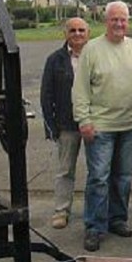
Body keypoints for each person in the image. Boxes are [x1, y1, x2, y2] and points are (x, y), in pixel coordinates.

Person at [72, 1, 132, 252]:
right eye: (114, 19)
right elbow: (80, 89)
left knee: (124, 177)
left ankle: (118, 219)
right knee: (99, 178)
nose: (119, 24)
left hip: (129, 125)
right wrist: (84, 120)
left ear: (128, 22)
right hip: (100, 126)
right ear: (106, 21)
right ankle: (94, 227)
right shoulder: (91, 49)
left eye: (123, 20)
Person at [40, 17, 89, 229]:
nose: (77, 34)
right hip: (66, 125)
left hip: (93, 124)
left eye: (81, 30)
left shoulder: (96, 55)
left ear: (88, 33)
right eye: (73, 30)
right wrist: (51, 126)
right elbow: (46, 95)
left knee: (97, 172)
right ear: (65, 34)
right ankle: (61, 211)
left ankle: (94, 211)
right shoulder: (55, 60)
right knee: (65, 170)